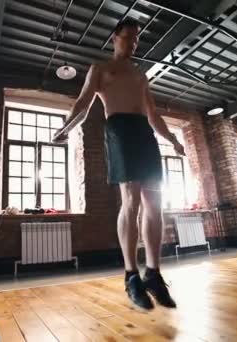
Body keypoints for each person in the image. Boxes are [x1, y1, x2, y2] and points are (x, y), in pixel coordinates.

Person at [52, 18, 184, 310]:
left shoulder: (140, 75)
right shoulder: (100, 68)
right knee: (132, 201)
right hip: (119, 130)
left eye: (137, 39)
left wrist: (173, 140)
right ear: (115, 37)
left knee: (155, 203)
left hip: (143, 132)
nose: (134, 43)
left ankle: (154, 273)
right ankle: (131, 275)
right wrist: (66, 128)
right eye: (129, 37)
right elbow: (83, 104)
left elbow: (153, 114)